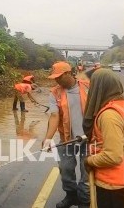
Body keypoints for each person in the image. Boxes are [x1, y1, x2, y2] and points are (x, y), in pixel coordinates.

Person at [42, 61, 90, 208]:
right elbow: (54, 116)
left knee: (86, 171)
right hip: (67, 139)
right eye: (54, 77)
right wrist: (48, 139)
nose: (56, 80)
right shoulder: (55, 92)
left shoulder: (88, 87)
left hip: (89, 138)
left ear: (68, 73)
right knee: (65, 169)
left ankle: (84, 201)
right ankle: (71, 195)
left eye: (59, 77)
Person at [83, 69, 124, 208]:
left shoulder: (109, 115)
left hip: (113, 185)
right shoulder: (121, 107)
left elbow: (113, 156)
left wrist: (89, 160)